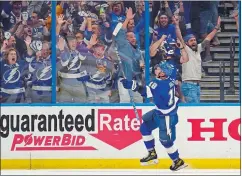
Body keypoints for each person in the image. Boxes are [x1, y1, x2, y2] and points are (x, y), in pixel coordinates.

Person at [120, 61, 186, 171]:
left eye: (159, 68)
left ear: (164, 71)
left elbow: (146, 92)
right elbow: (172, 70)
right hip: (160, 112)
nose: (156, 70)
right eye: (157, 68)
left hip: (167, 116)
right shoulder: (171, 77)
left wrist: (132, 85)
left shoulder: (158, 85)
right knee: (144, 127)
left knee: (165, 140)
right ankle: (152, 153)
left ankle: (177, 161)